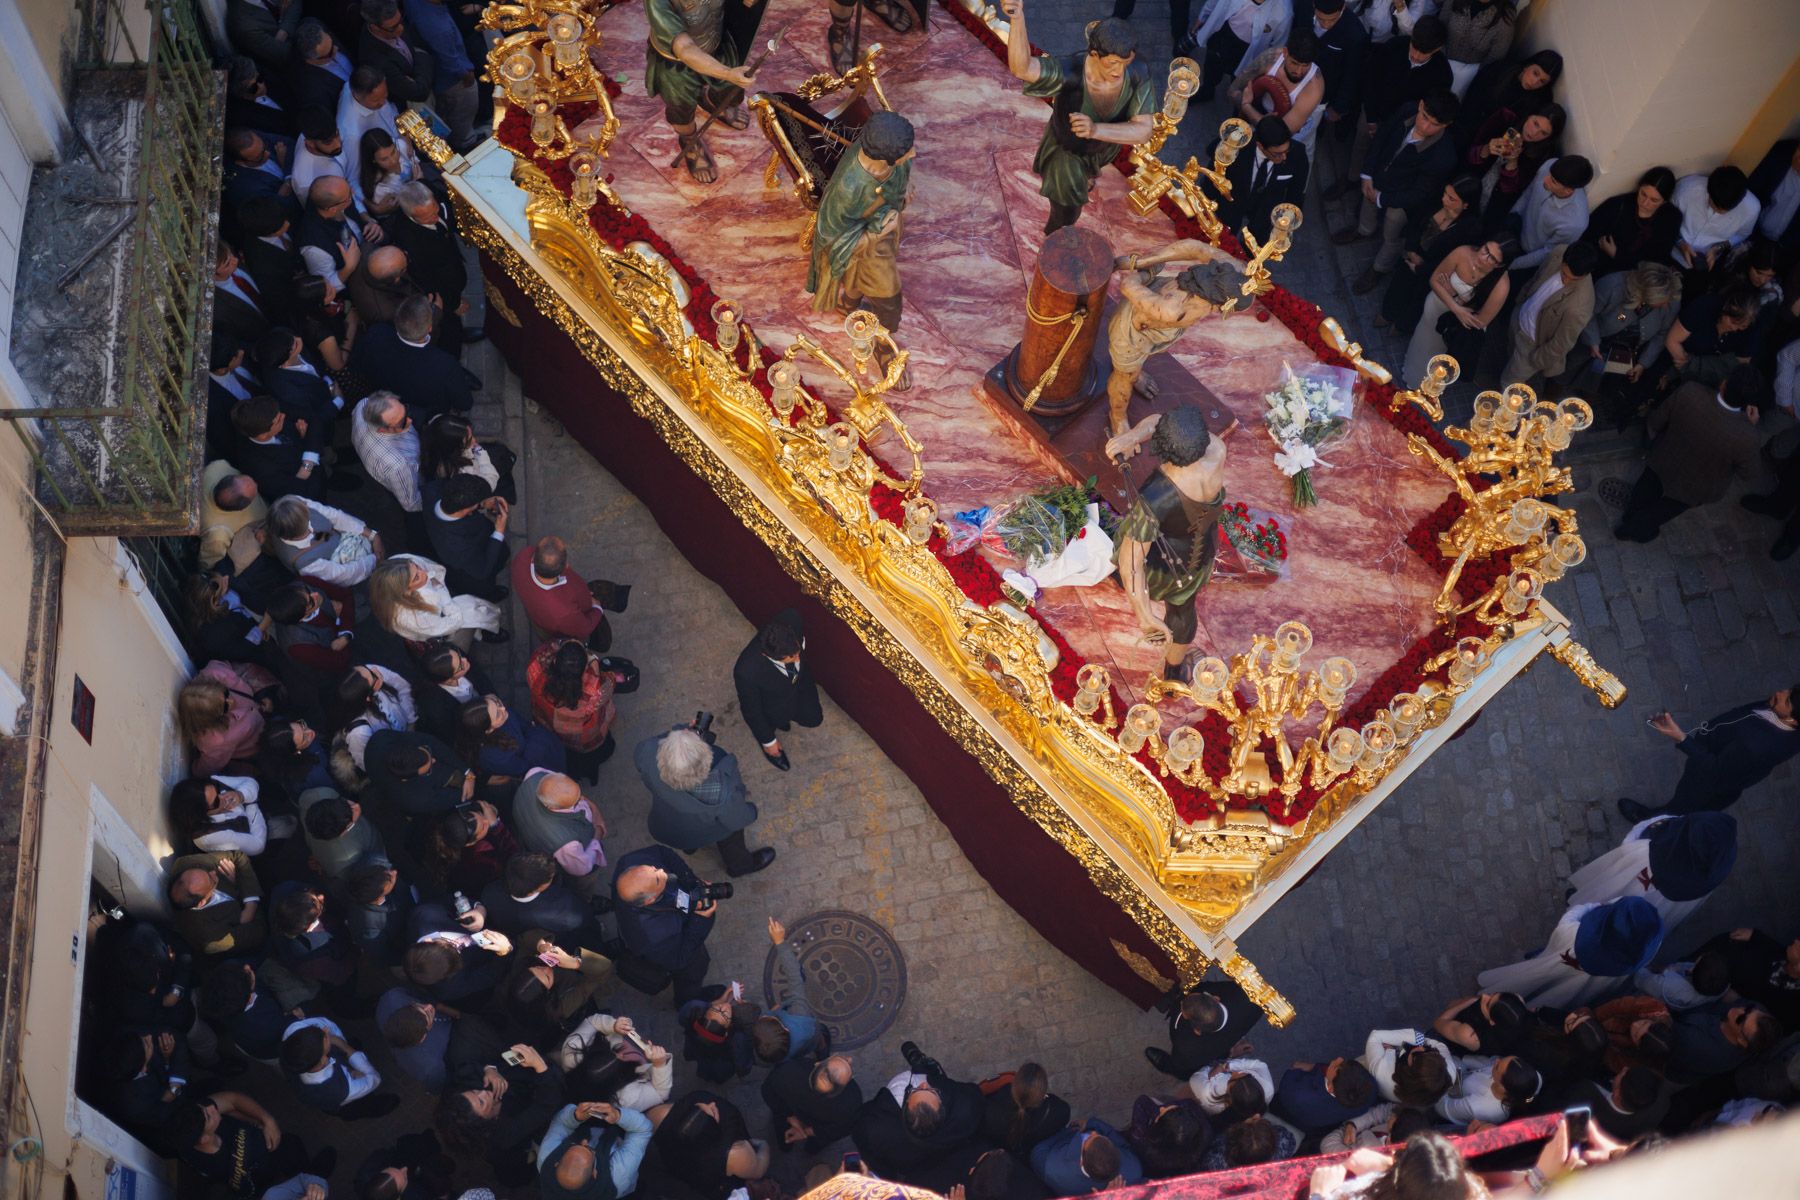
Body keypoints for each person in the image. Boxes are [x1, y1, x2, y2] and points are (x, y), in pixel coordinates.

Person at [1002, 3, 1155, 235]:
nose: (1119, 71)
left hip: (1102, 146)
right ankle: (1055, 238)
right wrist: (1017, 19)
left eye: (1125, 63)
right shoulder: (1071, 71)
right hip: (1067, 152)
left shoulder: (1137, 70)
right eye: (1112, 63)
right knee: (1068, 210)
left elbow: (1144, 130)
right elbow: (1023, 69)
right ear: (1094, 54)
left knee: (1089, 173)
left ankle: (1087, 176)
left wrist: (1095, 129)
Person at [1105, 407, 1229, 682]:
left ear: (1163, 448)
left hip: (1165, 566)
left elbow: (1132, 563)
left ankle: (1173, 670)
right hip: (1200, 548)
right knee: (1184, 609)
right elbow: (1160, 423)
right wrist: (1132, 436)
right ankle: (1175, 669)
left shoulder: (1156, 498)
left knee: (1179, 609)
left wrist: (1144, 614)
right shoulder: (1215, 449)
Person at [807, 111, 916, 386]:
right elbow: (831, 241)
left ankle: (849, 302)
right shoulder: (848, 190)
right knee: (890, 301)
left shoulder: (887, 161)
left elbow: (894, 189)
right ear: (884, 159)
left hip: (881, 235)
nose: (913, 154)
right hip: (868, 246)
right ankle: (882, 345)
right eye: (906, 152)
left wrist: (898, 203)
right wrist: (880, 231)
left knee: (862, 281)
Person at [1101, 240, 1244, 435]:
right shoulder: (1171, 309)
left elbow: (1196, 248)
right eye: (1219, 309)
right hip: (1134, 335)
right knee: (1124, 376)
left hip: (1159, 323)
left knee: (1136, 367)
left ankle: (1136, 373)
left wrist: (1149, 260)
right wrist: (1144, 269)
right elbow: (1127, 285)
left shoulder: (1231, 269)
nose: (1217, 312)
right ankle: (1117, 416)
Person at [1614, 366, 1767, 543]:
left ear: (1724, 384)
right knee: (1663, 511)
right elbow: (1749, 474)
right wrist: (1750, 426)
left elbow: (1656, 420)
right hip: (1696, 487)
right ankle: (1634, 530)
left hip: (1664, 459)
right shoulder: (1748, 436)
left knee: (1645, 489)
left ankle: (1630, 516)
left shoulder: (1691, 391)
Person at [1335, 90, 1461, 293]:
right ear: (1420, 106)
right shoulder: (1407, 111)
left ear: (1446, 125)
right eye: (1425, 117)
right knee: (1368, 203)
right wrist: (1367, 173)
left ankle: (1379, 268)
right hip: (1378, 179)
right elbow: (1381, 139)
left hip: (1403, 200)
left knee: (1392, 234)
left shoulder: (1444, 156)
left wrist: (1383, 198)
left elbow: (1421, 193)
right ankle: (1363, 230)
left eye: (1434, 124)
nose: (1425, 126)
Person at [1619, 687, 1800, 819]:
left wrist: (1681, 738)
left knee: (1683, 805)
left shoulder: (1758, 747)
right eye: (1788, 691)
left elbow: (1714, 769)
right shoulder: (1776, 708)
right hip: (1722, 760)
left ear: (1793, 719)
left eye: (1787, 701)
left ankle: (1651, 821)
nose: (1780, 693)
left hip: (1711, 781)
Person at [643, 0, 761, 183]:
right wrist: (727, 73)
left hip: (716, 41)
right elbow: (684, 48)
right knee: (681, 109)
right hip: (676, 63)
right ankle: (689, 141)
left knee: (731, 91)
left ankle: (714, 101)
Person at [635, 721, 773, 876]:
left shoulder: (647, 752)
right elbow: (738, 819)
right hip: (706, 831)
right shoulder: (723, 793)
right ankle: (740, 866)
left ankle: (690, 848)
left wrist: (681, 738)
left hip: (667, 827)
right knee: (731, 836)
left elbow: (657, 744)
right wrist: (752, 811)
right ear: (706, 762)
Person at [1478, 895, 1666, 1008]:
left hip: (1560, 956)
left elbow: (1575, 913)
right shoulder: (1628, 963)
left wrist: (1596, 908)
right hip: (1583, 986)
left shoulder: (1572, 931)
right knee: (1563, 994)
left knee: (1533, 976)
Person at [1567, 812, 1739, 934]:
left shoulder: (1662, 841)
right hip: (1667, 903)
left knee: (1609, 889)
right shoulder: (1718, 864)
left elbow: (1633, 840)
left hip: (1635, 870)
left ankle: (1582, 911)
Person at [853, 1041, 986, 1183]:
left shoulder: (876, 1130)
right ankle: (923, 1064)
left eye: (914, 1090)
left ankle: (921, 1064)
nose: (923, 1084)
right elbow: (973, 1093)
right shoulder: (965, 1107)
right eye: (932, 1090)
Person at [437, 1043, 566, 1185]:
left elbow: (468, 1066)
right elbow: (545, 1106)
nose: (483, 1092)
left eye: (474, 1092)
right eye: (481, 1102)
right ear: (485, 1122)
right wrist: (540, 1067)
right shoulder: (506, 1133)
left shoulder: (470, 1085)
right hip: (545, 1090)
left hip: (528, 1073)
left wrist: (489, 1069)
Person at [1567, 262, 1681, 416]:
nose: (1666, 305)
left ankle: (1586, 401)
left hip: (1623, 351)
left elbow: (1662, 335)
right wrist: (1593, 340)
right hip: (1594, 338)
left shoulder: (1671, 301)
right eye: (1662, 302)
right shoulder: (1612, 286)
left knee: (1598, 377)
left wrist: (1642, 363)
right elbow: (1588, 313)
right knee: (1568, 369)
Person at [611, 844, 721, 1002]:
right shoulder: (654, 935)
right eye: (657, 879)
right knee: (694, 971)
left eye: (653, 868)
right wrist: (701, 919)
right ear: (650, 900)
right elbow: (678, 959)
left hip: (671, 911)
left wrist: (693, 884)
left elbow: (663, 853)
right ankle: (687, 1001)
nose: (662, 871)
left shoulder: (629, 863)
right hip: (673, 949)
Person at [1377, 175, 1484, 332]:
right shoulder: (1435, 201)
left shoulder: (1469, 229)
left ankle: (1402, 326)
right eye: (1446, 194)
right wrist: (1412, 249)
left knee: (1418, 299)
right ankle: (1388, 313)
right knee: (1399, 284)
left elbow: (1453, 259)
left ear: (1466, 205)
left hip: (1435, 269)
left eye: (1452, 199)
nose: (1445, 199)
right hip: (1413, 255)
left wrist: (1421, 268)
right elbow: (1415, 223)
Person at [1402, 237, 1513, 383]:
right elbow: (1434, 280)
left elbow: (1480, 321)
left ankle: (1431, 386)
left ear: (1500, 265)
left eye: (1492, 258)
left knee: (1442, 360)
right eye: (1486, 249)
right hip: (1436, 308)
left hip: (1456, 328)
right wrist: (1457, 307)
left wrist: (1455, 296)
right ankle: (1412, 374)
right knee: (1422, 343)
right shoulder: (1462, 252)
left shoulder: (1501, 286)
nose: (1483, 257)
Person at [352, 295, 475, 419]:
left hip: (388, 408)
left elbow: (358, 365)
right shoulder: (446, 365)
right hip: (428, 418)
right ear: (430, 328)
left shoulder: (375, 334)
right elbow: (465, 403)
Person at [734, 608, 824, 771]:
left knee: (814, 718)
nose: (798, 658)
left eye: (797, 652)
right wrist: (769, 742)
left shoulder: (792, 618)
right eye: (792, 658)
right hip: (772, 705)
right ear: (769, 656)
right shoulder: (746, 672)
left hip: (801, 685)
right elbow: (751, 711)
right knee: (772, 722)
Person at [388, 182, 474, 352]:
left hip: (452, 268)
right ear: (410, 215)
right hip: (442, 292)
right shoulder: (407, 240)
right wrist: (453, 303)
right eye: (427, 218)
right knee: (450, 327)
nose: (436, 217)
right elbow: (427, 279)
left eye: (434, 209)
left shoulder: (428, 190)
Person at [1501, 241, 1597, 387]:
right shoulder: (1558, 252)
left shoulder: (1579, 306)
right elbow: (1537, 277)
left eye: (1573, 279)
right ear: (1564, 259)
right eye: (1564, 273)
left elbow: (1562, 343)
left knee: (1509, 383)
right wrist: (1520, 302)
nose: (1566, 280)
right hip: (1520, 317)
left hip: (1532, 345)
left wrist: (1537, 360)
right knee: (1509, 354)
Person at [528, 639, 623, 784]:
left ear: (555, 661)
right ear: (584, 669)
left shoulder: (535, 668)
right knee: (592, 758)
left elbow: (544, 650)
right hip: (584, 739)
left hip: (549, 728)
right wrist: (594, 661)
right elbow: (610, 682)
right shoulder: (594, 689)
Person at [512, 535, 628, 651]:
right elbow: (584, 628)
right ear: (566, 566)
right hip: (563, 626)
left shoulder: (522, 557)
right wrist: (597, 607)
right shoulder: (563, 612)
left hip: (539, 616)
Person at [370, 553, 506, 647]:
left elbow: (433, 568)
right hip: (439, 623)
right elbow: (452, 623)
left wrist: (439, 585)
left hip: (442, 592)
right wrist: (441, 591)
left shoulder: (401, 561)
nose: (423, 572)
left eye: (416, 567)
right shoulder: (411, 618)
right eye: (416, 577)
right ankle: (482, 634)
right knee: (470, 611)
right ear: (405, 592)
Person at [1227, 29, 1327, 154]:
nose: (1299, 71)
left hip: (1286, 133)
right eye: (1294, 63)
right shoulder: (1270, 59)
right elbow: (1233, 91)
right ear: (1285, 53)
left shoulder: (1313, 87)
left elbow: (1279, 137)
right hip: (1257, 109)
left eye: (1305, 65)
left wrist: (1247, 107)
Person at [279, 1015, 400, 1118]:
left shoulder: (292, 1036)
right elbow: (373, 1079)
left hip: (320, 1087)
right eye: (324, 1037)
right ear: (323, 1059)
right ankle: (373, 1108)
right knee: (358, 1108)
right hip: (343, 1101)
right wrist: (345, 1047)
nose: (325, 1029)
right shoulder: (340, 1090)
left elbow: (324, 1024)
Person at [510, 770, 608, 897]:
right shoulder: (565, 843)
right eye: (576, 802)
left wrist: (593, 807)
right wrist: (598, 832)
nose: (582, 800)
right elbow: (582, 868)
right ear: (551, 807)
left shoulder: (534, 774)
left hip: (529, 827)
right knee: (583, 885)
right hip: (568, 854)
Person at [1143, 975, 1261, 1078]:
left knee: (1182, 1066)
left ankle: (1176, 1071)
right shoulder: (1249, 999)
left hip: (1194, 1058)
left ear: (1197, 1030)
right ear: (1215, 999)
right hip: (1235, 1030)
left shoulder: (1187, 1047)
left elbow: (1176, 1036)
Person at [1217, 115, 1309, 246]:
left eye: (1286, 151)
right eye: (1277, 154)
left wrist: (1287, 222)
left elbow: (1296, 192)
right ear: (1260, 146)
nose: (1284, 157)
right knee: (1221, 242)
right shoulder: (1238, 145)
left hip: (1265, 213)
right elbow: (1216, 169)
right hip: (1232, 203)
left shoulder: (1297, 154)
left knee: (1252, 251)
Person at [400, 0, 478, 149]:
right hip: (454, 82)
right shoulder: (436, 27)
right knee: (462, 117)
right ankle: (467, 145)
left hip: (440, 76)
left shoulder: (417, 5)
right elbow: (450, 61)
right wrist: (467, 76)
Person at [536, 1101, 655, 1199]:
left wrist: (574, 1116)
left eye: (571, 1146)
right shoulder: (619, 1174)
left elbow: (560, 1123)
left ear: (556, 1163)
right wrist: (618, 1116)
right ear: (595, 1172)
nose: (584, 1141)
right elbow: (642, 1130)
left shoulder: (546, 1157)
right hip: (618, 1141)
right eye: (588, 1149)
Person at [180, 659, 280, 775]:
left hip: (263, 702)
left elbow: (231, 666)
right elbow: (203, 771)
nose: (231, 701)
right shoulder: (217, 740)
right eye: (224, 707)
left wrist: (262, 695)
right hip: (265, 743)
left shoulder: (214, 672)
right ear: (212, 718)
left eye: (226, 693)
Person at [560, 1012, 675, 1112]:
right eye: (620, 1064)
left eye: (611, 1054)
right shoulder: (626, 1100)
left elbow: (591, 1022)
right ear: (618, 1080)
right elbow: (661, 1094)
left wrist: (613, 1025)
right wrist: (659, 1065)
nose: (621, 1054)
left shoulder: (572, 1050)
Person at [1582, 166, 1681, 279]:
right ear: (1639, 188)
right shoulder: (1617, 206)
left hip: (1639, 278)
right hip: (1603, 272)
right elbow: (1589, 236)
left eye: (1654, 200)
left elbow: (1657, 259)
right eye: (1643, 194)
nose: (1645, 203)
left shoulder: (1671, 218)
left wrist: (1617, 255)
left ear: (1664, 202)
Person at [426, 474, 511, 601]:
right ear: (465, 510)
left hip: (475, 539)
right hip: (476, 566)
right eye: (475, 505)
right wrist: (499, 531)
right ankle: (490, 595)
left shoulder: (432, 490)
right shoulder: (454, 545)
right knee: (485, 583)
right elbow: (482, 570)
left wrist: (482, 503)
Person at [1670, 166, 1762, 282]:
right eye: (1714, 204)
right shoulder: (1686, 189)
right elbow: (1665, 217)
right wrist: (1679, 242)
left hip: (1704, 266)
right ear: (1708, 189)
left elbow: (1742, 234)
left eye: (1726, 210)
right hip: (1669, 250)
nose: (1718, 212)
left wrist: (1717, 248)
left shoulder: (1751, 209)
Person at [1697, 927, 1800, 1030]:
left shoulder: (1791, 1005)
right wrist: (1755, 936)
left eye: (1799, 948)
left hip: (1729, 999)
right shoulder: (1783, 955)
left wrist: (1739, 997)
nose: (1795, 941)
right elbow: (1775, 950)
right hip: (1724, 967)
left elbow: (1769, 1029)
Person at [1509, 155, 1593, 274]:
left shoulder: (1574, 223)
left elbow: (1547, 253)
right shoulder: (1550, 165)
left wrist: (1512, 265)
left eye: (1553, 181)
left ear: (1568, 190)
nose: (1545, 179)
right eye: (1549, 174)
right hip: (1514, 227)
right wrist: (1511, 218)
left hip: (1527, 255)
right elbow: (1528, 194)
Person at [763, 1054, 863, 1153]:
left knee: (784, 1133)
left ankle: (785, 1146)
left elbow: (768, 1092)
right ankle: (811, 1151)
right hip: (820, 1126)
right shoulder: (852, 1101)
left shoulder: (788, 1071)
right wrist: (807, 1132)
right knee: (818, 1143)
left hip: (788, 1110)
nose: (850, 1059)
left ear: (817, 1064)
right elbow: (841, 1129)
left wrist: (790, 1117)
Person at [352, 389, 423, 527]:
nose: (410, 419)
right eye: (402, 422)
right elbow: (411, 504)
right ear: (382, 430)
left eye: (405, 410)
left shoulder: (364, 403)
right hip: (408, 481)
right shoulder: (398, 465)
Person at [169, 775, 279, 857]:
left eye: (218, 792)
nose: (222, 797)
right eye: (216, 802)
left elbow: (251, 782)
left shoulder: (211, 785)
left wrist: (240, 795)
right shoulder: (208, 836)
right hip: (263, 832)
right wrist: (251, 804)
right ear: (202, 814)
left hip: (259, 809)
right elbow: (257, 846)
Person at [1029, 1116, 1143, 1195]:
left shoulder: (1052, 1170)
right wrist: (1091, 1123)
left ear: (1082, 1162)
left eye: (1087, 1139)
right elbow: (1124, 1144)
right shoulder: (1134, 1169)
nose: (1093, 1132)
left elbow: (1037, 1152)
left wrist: (1068, 1131)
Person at [981, 1062, 1071, 1156]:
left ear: (1015, 1083)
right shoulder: (1058, 1111)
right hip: (1034, 1157)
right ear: (1042, 1089)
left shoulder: (993, 1105)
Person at [1269, 1056, 1377, 1134]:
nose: (1338, 1059)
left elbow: (1291, 1075)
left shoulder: (1297, 1095)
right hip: (1321, 1124)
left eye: (1337, 1066)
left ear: (1330, 1088)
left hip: (1295, 1115)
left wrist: (1303, 1068)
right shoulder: (1371, 1089)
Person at [1749, 138, 1800, 259]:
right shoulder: (1780, 154)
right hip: (1752, 231)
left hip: (1784, 250)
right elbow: (1752, 190)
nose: (1798, 159)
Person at [358, 127, 423, 217]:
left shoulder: (401, 147)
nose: (393, 161)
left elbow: (418, 164)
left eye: (393, 152)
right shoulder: (380, 188)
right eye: (384, 159)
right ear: (374, 160)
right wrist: (418, 183)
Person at [227, 0, 305, 74]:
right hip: (292, 59)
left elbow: (295, 2)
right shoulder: (244, 26)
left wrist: (284, 30)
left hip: (295, 30)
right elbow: (283, 54)